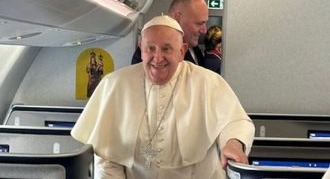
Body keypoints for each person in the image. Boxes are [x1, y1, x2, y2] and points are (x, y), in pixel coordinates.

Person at [71, 15, 255, 179]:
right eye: (150, 48)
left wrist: (233, 142)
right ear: (141, 48)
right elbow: (106, 160)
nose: (157, 58)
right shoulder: (115, 84)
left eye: (167, 49)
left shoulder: (208, 82)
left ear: (182, 51)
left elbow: (235, 121)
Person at [131, 0, 208, 67]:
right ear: (178, 19)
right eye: (199, 23)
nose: (204, 30)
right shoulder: (148, 51)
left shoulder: (195, 49)